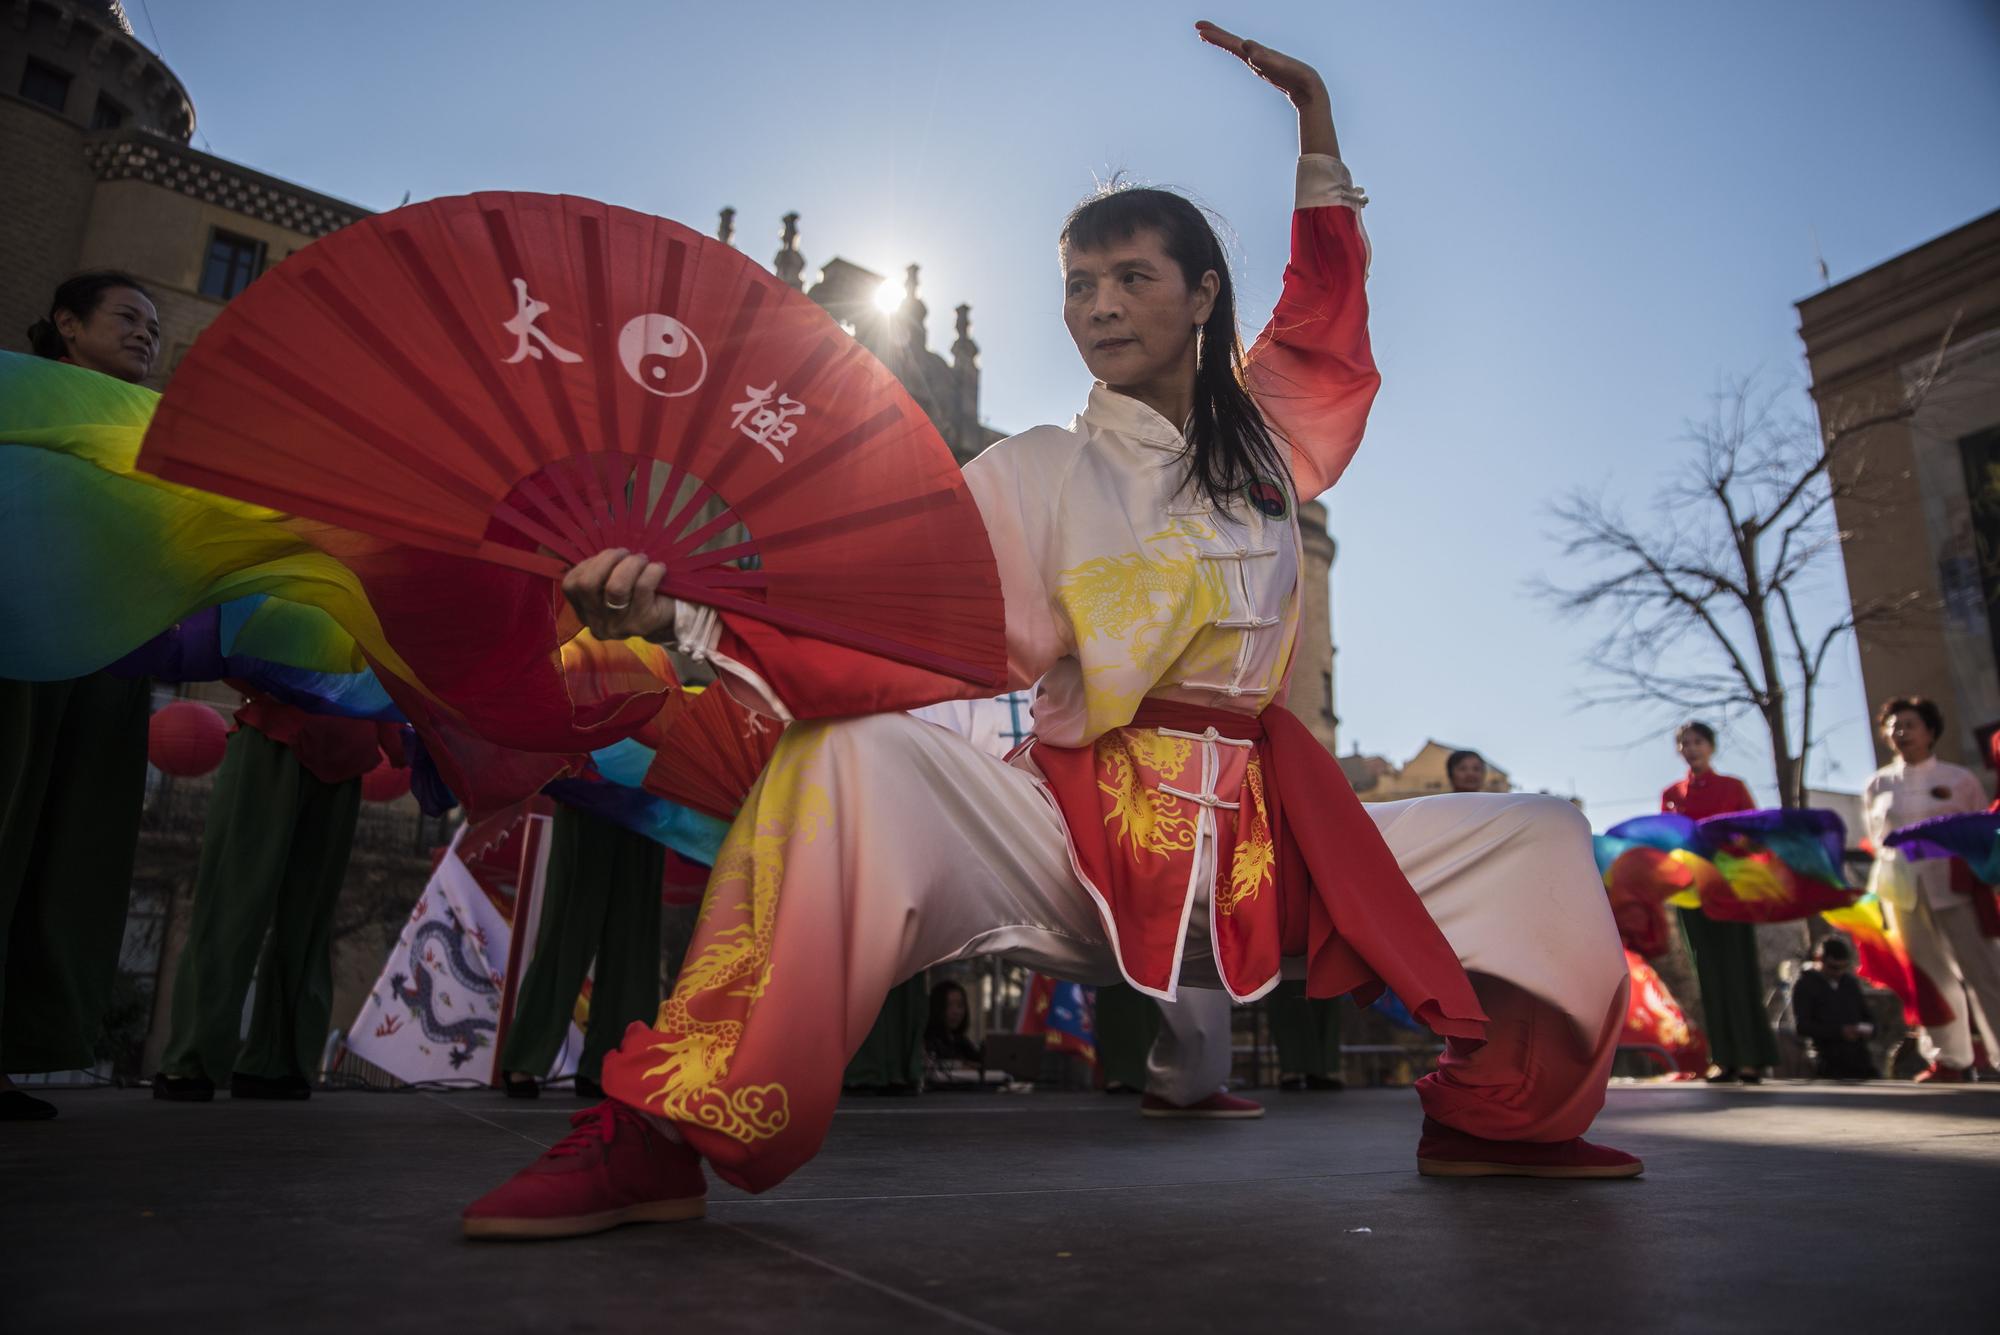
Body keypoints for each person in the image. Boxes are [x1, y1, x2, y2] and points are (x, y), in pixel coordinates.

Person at [461, 23, 1639, 1240]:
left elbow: (1326, 307)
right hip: (1068, 834)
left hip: (1275, 843)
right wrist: (678, 609)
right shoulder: (1035, 472)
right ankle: (667, 1130)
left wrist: (1315, 126)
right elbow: (889, 614)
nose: (1099, 305)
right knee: (849, 761)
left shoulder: (1266, 444)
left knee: (1539, 839)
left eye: (1131, 277)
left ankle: (1498, 1118)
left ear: (1201, 295)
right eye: (1079, 284)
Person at [1, 272, 160, 1121]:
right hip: (24, 640)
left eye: (154, 328)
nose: (145, 336)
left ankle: (11, 1048)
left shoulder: (155, 428)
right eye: (128, 317)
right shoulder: (23, 397)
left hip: (108, 655)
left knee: (68, 848)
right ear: (67, 323)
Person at [151, 691, 402, 1100]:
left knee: (304, 920)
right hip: (279, 734)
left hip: (342, 753)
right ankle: (199, 1060)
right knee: (236, 905)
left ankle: (272, 1061)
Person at [1862, 695, 1998, 1083]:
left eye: (1910, 725)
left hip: (1957, 886)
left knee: (1984, 971)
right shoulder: (1877, 784)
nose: (1902, 732)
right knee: (1928, 976)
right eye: (1894, 726)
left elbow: (1982, 834)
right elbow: (1877, 840)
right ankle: (1950, 1059)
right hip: (1904, 891)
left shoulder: (1959, 779)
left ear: (1930, 732)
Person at [498, 802, 667, 1100]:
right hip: (590, 788)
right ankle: (525, 1055)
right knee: (569, 923)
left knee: (634, 932)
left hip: (649, 796)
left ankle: (611, 1062)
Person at [1661, 721, 1778, 1084]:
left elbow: (1755, 836)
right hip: (1692, 894)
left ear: (1711, 747)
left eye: (1698, 741)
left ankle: (1751, 1058)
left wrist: (1734, 844)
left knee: (1738, 970)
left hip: (1731, 890)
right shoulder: (1671, 794)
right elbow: (1666, 841)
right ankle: (1723, 1058)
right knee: (1707, 973)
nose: (1691, 748)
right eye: (1685, 743)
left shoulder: (1733, 787)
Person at [1790, 935, 1877, 1080]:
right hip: (1825, 1058)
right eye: (1834, 967)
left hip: (1858, 1058)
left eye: (1843, 967)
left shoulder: (1849, 984)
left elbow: (1868, 1018)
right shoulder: (1806, 985)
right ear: (1819, 960)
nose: (1839, 972)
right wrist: (1839, 1031)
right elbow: (1802, 1026)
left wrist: (1866, 1030)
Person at [923, 980, 983, 1070]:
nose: (956, 1012)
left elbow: (980, 1062)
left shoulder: (961, 1041)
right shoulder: (928, 1040)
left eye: (960, 1005)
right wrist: (960, 1065)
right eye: (949, 1005)